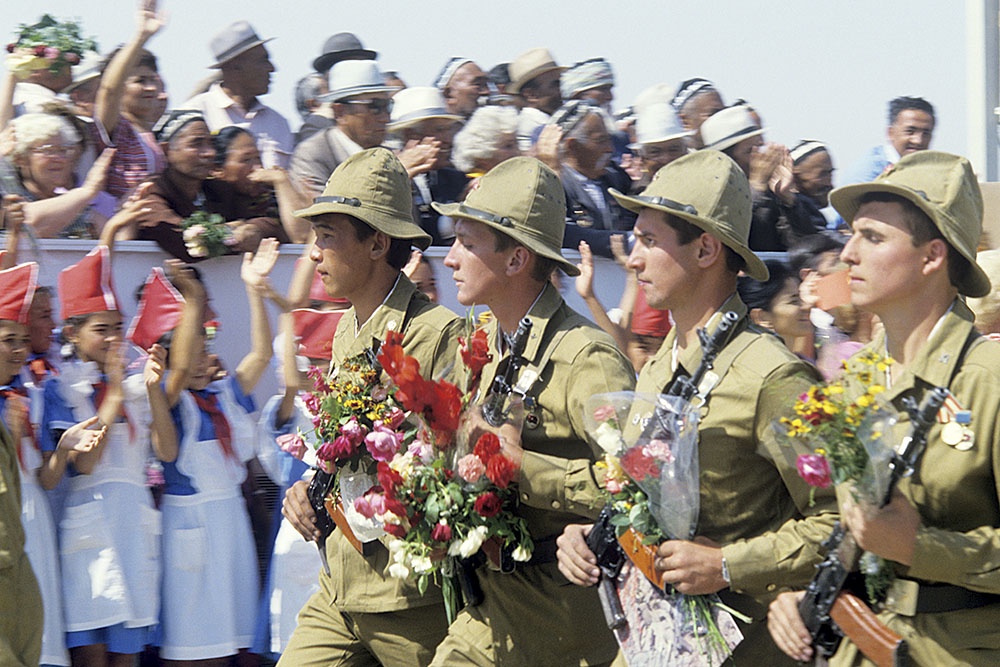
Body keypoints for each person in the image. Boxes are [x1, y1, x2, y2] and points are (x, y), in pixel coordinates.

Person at [555, 150, 837, 664]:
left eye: (649, 241)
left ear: (706, 248)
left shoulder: (771, 376)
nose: (633, 259)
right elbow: (646, 491)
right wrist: (594, 533)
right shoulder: (663, 363)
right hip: (653, 636)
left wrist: (728, 564)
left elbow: (839, 523)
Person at [767, 150, 1000, 666]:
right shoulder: (855, 379)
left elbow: (900, 538)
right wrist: (801, 596)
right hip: (863, 639)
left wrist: (920, 546)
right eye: (852, 234)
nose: (848, 254)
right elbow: (845, 520)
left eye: (872, 238)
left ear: (932, 256)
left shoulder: (989, 381)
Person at [429, 156, 636, 667]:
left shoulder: (586, 357)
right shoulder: (482, 343)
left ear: (517, 260)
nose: (450, 259)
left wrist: (526, 469)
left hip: (564, 627)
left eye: (468, 243)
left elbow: (638, 487)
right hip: (488, 609)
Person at [277, 147, 463, 667]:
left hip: (408, 596)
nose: (314, 253)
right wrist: (310, 488)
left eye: (328, 236)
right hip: (340, 587)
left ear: (378, 242)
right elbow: (339, 446)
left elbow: (452, 466)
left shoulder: (434, 335)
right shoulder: (344, 331)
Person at [137, 244, 275, 664]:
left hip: (229, 525)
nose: (200, 361)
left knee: (239, 642)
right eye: (189, 352)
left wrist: (254, 290)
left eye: (204, 348)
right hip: (190, 527)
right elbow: (167, 447)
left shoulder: (224, 395)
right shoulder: (169, 399)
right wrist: (193, 298)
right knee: (197, 646)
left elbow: (262, 355)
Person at [40, 216, 163, 666]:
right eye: (101, 329)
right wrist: (111, 393)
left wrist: (131, 386)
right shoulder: (61, 386)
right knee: (92, 656)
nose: (114, 339)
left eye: (117, 327)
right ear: (72, 333)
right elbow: (85, 464)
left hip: (133, 526)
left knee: (127, 654)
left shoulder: (133, 385)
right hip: (89, 529)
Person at [0, 262, 45, 667]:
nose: (19, 350)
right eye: (7, 339)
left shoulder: (12, 406)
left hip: (17, 566)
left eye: (22, 340)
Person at [180, 20, 293, 169]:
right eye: (263, 60)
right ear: (235, 67)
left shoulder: (278, 124)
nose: (272, 68)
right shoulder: (194, 114)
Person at [91, 0, 168, 201]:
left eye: (153, 79)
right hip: (116, 224)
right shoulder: (117, 129)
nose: (150, 87)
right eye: (140, 81)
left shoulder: (150, 133)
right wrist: (142, 35)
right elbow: (109, 90)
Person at [289, 60, 399, 196]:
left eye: (387, 105)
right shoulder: (313, 155)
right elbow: (328, 215)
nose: (385, 118)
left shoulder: (389, 156)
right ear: (340, 112)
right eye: (375, 106)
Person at [0, 112, 115, 238]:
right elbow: (27, 224)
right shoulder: (8, 194)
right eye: (48, 150)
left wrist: (129, 216)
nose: (59, 158)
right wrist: (87, 191)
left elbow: (115, 241)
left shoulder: (77, 209)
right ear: (20, 158)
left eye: (63, 150)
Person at [547, 100, 635, 259]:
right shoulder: (556, 185)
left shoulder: (616, 178)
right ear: (572, 146)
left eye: (609, 140)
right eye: (601, 141)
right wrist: (628, 241)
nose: (610, 149)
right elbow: (564, 232)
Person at [387, 86, 466, 245]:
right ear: (412, 136)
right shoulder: (387, 178)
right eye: (439, 130)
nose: (448, 139)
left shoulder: (457, 180)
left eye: (448, 130)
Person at [206, 125, 311, 243]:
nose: (258, 167)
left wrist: (282, 182)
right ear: (217, 169)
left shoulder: (273, 197)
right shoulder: (206, 200)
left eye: (257, 158)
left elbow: (303, 236)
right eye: (246, 160)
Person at [841, 96, 936, 185]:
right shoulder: (869, 173)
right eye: (910, 131)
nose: (918, 141)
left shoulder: (931, 172)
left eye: (926, 133)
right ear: (890, 133)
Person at [737, 259, 813, 357]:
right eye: (794, 301)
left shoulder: (799, 361)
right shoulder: (763, 366)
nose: (807, 306)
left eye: (801, 297)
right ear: (761, 317)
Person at [507, 48, 564, 151]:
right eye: (555, 85)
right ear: (531, 95)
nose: (561, 90)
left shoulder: (548, 120)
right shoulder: (535, 126)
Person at [451, 105, 520, 178]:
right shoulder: (474, 185)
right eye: (508, 146)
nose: (517, 152)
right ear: (483, 155)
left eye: (517, 143)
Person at [670, 77, 725, 149]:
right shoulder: (674, 158)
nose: (723, 118)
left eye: (723, 112)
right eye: (713, 114)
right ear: (685, 122)